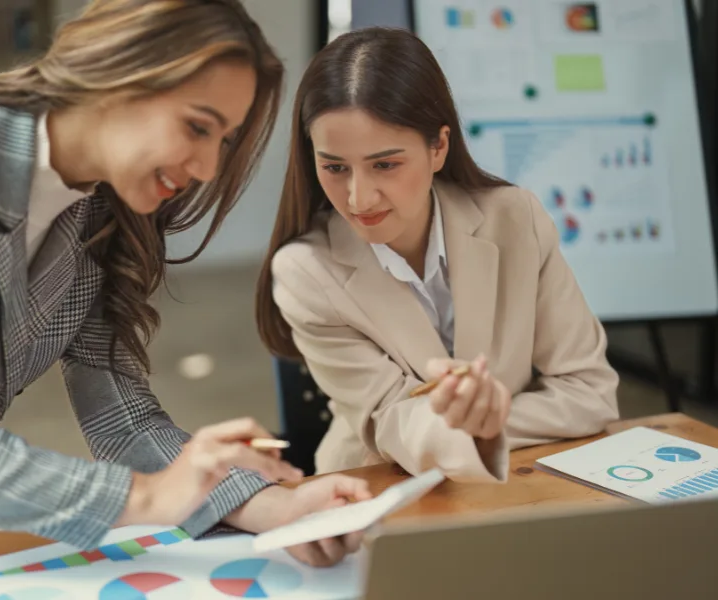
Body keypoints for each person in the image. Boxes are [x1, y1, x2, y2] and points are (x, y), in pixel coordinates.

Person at [0, 0, 370, 563]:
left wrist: (275, 507)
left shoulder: (105, 214)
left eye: (222, 142)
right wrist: (151, 497)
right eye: (197, 127)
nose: (206, 168)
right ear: (119, 75)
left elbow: (121, 417)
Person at [256, 27, 620, 482]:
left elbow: (590, 392)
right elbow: (391, 419)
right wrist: (485, 430)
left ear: (439, 147)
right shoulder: (304, 271)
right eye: (334, 167)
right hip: (377, 489)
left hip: (519, 480)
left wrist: (490, 426)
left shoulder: (515, 219)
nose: (358, 198)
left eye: (385, 164)